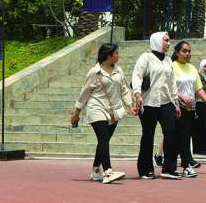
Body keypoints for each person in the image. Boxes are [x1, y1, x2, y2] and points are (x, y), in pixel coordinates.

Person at [70, 43, 135, 184]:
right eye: (116, 53)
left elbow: (125, 89)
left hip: (114, 111)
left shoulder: (118, 70)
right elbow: (84, 93)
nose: (118, 56)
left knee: (103, 141)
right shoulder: (94, 72)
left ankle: (95, 169)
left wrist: (130, 105)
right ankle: (108, 171)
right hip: (96, 108)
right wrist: (76, 113)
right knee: (104, 138)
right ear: (108, 55)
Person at [131, 32, 182, 180]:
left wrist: (176, 102)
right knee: (148, 135)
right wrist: (137, 94)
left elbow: (172, 83)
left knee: (171, 132)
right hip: (148, 102)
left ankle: (169, 168)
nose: (168, 43)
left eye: (169, 41)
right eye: (166, 40)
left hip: (166, 102)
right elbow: (137, 76)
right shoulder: (145, 57)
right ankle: (145, 169)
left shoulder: (168, 60)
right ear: (157, 41)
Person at [170, 41, 206, 178]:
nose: (187, 54)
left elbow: (198, 89)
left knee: (185, 136)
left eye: (189, 51)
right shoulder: (171, 66)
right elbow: (168, 87)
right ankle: (182, 166)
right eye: (184, 51)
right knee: (179, 137)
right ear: (177, 52)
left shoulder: (192, 68)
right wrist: (181, 96)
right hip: (175, 106)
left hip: (190, 108)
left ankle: (183, 165)